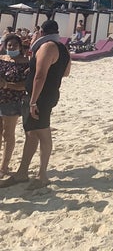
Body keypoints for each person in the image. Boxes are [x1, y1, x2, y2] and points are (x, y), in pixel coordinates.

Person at [0, 20, 71, 189]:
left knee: (43, 133)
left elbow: (40, 76)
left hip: (40, 98)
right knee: (31, 133)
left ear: (42, 31)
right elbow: (66, 72)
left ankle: (42, 176)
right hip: (47, 94)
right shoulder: (63, 48)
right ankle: (22, 173)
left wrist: (33, 101)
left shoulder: (47, 47)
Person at [0, 35, 28, 176]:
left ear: (20, 46)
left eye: (14, 45)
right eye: (9, 45)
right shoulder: (2, 59)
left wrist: (6, 84)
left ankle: (4, 166)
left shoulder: (24, 62)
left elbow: (25, 85)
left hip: (12, 101)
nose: (11, 47)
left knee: (8, 134)